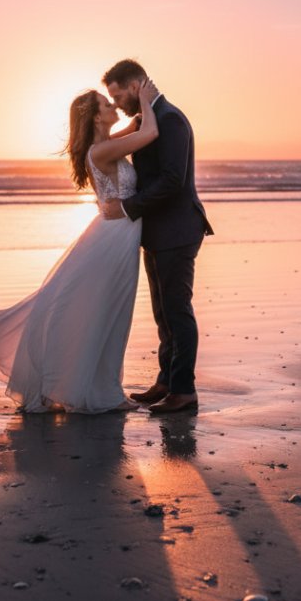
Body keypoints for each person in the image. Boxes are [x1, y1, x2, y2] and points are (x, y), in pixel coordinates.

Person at [0, 78, 162, 413]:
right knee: (104, 312)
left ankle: (95, 387)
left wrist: (135, 117)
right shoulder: (102, 150)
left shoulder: (104, 144)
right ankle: (91, 390)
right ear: (96, 118)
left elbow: (131, 132)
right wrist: (147, 99)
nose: (113, 106)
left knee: (108, 314)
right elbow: (148, 136)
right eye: (107, 104)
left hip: (116, 236)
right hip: (113, 240)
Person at [100, 59, 213, 414]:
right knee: (163, 314)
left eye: (118, 95)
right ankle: (166, 381)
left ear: (135, 85)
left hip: (178, 231)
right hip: (157, 232)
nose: (116, 104)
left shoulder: (171, 120)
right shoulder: (148, 118)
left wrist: (128, 207)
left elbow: (172, 181)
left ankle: (184, 390)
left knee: (178, 311)